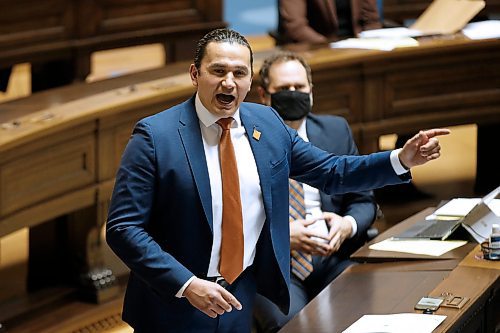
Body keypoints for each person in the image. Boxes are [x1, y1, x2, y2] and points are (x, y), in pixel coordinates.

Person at [106, 27, 449, 333]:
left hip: (238, 295)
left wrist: (401, 159)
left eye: (239, 73)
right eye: (218, 71)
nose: (229, 82)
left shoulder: (266, 123)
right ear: (195, 74)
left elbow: (332, 171)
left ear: (250, 80)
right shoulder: (155, 136)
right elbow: (124, 228)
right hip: (174, 305)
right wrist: (186, 284)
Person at [253, 51, 378, 332]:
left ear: (311, 90)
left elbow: (363, 200)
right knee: (293, 326)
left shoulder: (335, 130)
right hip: (276, 266)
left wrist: (347, 225)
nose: (293, 93)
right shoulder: (244, 142)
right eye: (284, 89)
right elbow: (232, 222)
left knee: (364, 313)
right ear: (264, 94)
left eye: (299, 87)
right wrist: (282, 236)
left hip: (333, 257)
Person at [277, 0, 382, 44]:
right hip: (317, 48)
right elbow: (295, 27)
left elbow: (371, 20)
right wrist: (328, 46)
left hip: (358, 46)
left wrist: (372, 42)